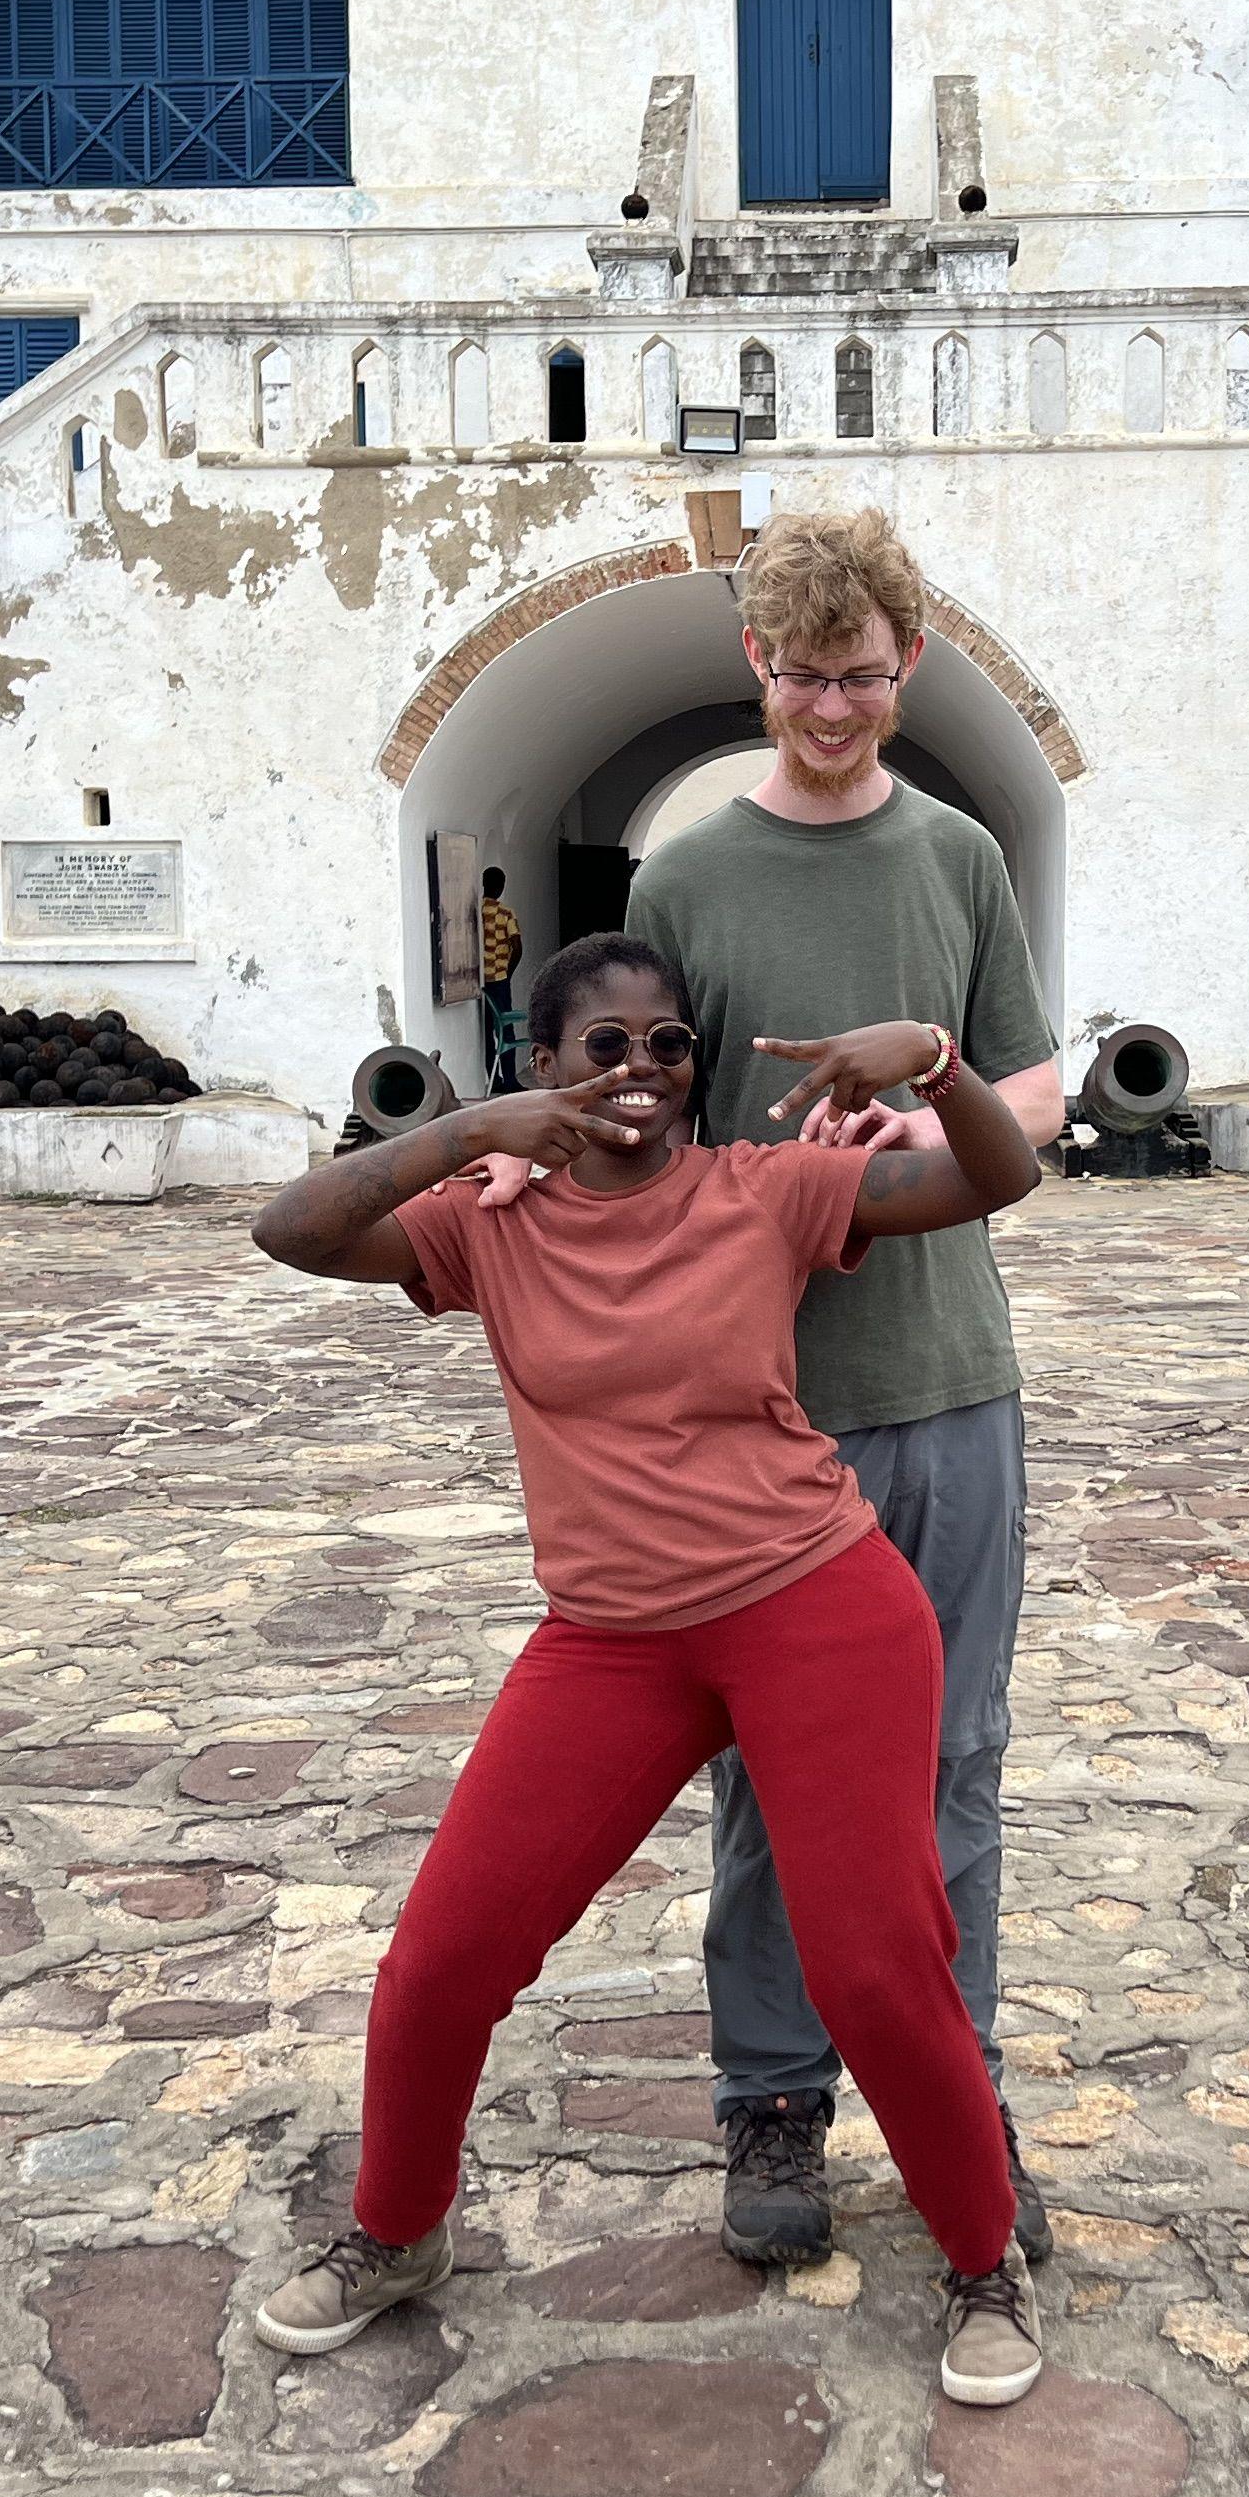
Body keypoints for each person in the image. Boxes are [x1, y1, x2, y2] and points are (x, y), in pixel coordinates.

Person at [239, 927, 1052, 2408]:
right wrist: (470, 1138)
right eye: (601, 1046)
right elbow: (288, 1231)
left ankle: (984, 2258)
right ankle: (398, 2231)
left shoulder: (764, 1188)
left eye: (666, 1044)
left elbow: (997, 1179)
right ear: (543, 1064)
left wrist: (934, 1058)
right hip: (610, 1639)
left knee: (876, 1968)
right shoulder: (485, 1224)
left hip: (818, 1608)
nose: (637, 1072)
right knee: (442, 1961)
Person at [616, 509, 1063, 2272]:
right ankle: (773, 2090)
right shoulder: (684, 881)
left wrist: (935, 1108)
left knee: (953, 1760)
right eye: (802, 674)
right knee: (762, 1776)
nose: (829, 706)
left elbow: (1030, 1098)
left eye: (861, 676)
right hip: (756, 1400)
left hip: (945, 1375)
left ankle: (959, 2079)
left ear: (911, 669)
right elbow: (627, 1123)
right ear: (758, 667)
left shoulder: (955, 859)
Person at [476, 863, 525, 1091]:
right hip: (499, 980)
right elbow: (517, 946)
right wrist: (507, 972)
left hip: (479, 981)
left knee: (486, 1033)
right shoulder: (506, 913)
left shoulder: (475, 912)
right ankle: (510, 1080)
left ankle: (493, 1080)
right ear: (502, 887)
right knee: (506, 1031)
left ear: (484, 884)